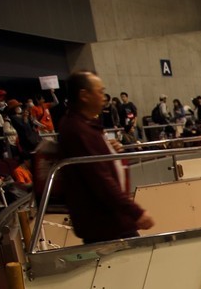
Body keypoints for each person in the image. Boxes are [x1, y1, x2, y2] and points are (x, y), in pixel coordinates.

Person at [57, 71, 153, 244]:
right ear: (84, 95)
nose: (104, 97)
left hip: (114, 219)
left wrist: (110, 149)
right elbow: (100, 178)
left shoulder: (86, 125)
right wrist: (135, 212)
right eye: (100, 91)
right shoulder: (77, 129)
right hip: (106, 222)